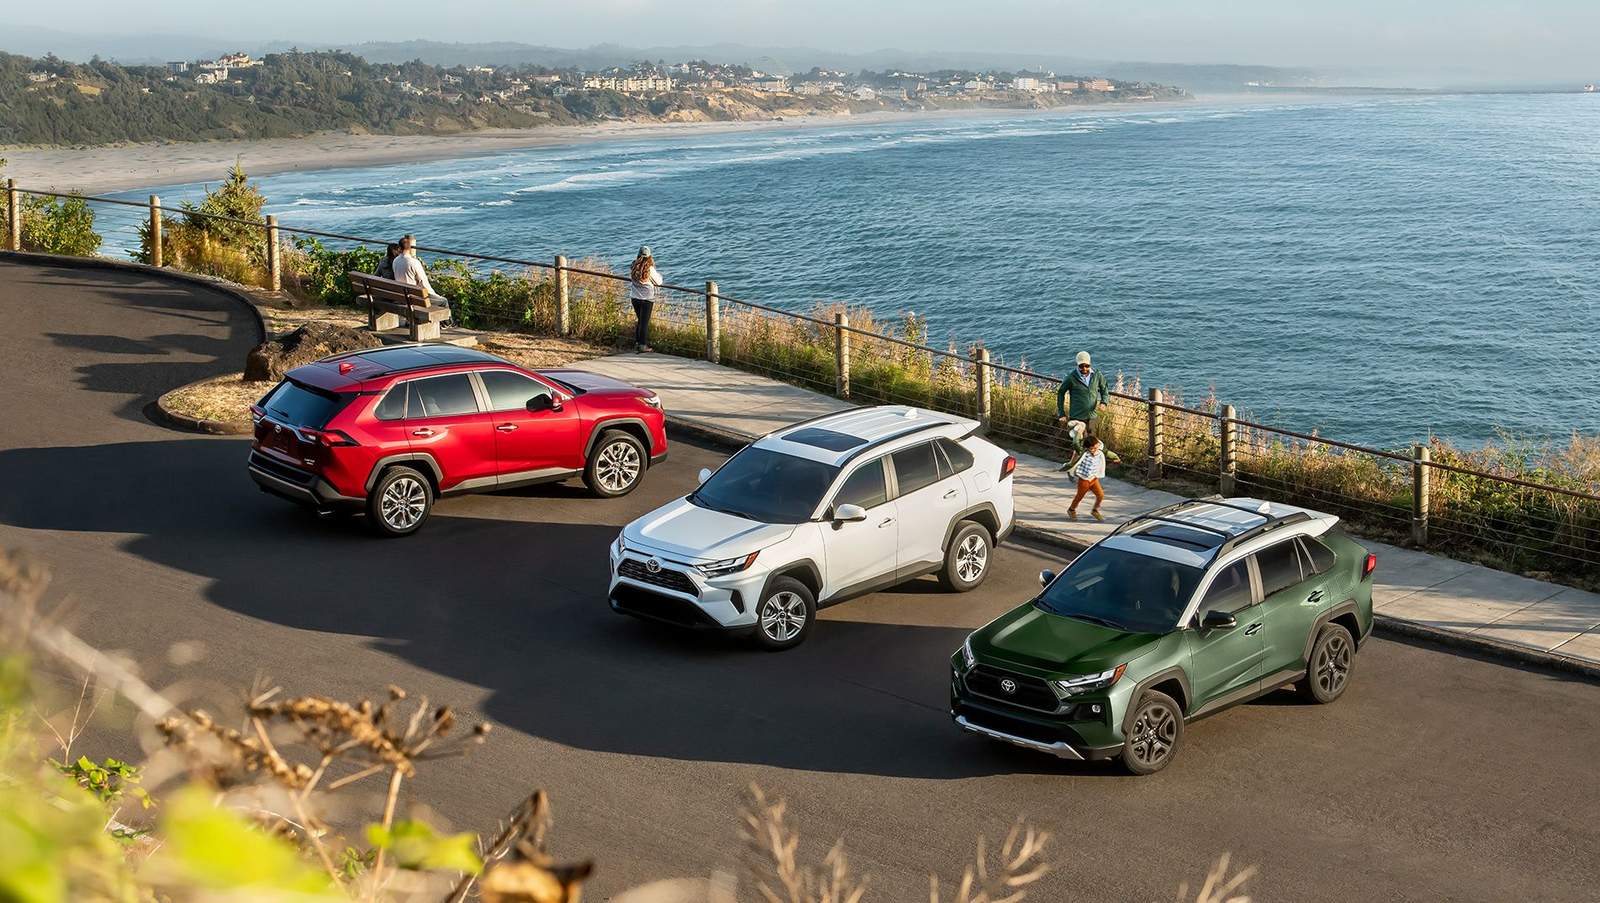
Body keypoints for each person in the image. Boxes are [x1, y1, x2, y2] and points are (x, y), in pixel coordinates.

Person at [1056, 350, 1109, 456]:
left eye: (1087, 366)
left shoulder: (1097, 375)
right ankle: (1077, 462)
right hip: (1077, 416)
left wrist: (1104, 402)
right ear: (1077, 365)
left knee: (1092, 442)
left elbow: (1104, 389)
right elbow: (1061, 392)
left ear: (1090, 364)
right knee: (1078, 442)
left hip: (1092, 416)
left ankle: (1091, 462)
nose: (1084, 369)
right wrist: (1061, 413)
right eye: (1081, 366)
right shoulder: (1071, 377)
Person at [391, 234, 452, 326]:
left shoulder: (395, 261)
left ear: (399, 248)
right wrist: (435, 295)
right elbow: (424, 283)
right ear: (410, 248)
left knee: (435, 299)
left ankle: (443, 324)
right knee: (443, 301)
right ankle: (448, 324)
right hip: (415, 298)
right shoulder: (414, 262)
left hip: (402, 296)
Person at [629, 245, 663, 353]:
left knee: (640, 321)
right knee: (644, 323)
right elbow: (659, 282)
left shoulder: (633, 265)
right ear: (649, 256)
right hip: (647, 299)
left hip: (634, 297)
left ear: (638, 255)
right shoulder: (650, 269)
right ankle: (643, 345)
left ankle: (637, 343)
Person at [1067, 436, 1107, 521]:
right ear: (1087, 448)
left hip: (1093, 479)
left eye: (1095, 448)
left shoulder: (1099, 452)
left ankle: (1095, 510)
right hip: (1084, 479)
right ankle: (1071, 510)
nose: (1093, 450)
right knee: (1079, 496)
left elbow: (1100, 445)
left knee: (1100, 495)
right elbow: (1075, 460)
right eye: (1091, 449)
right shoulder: (1084, 454)